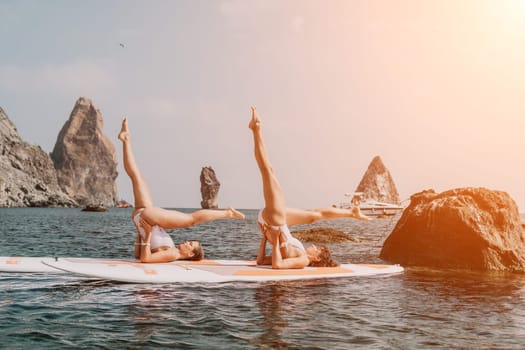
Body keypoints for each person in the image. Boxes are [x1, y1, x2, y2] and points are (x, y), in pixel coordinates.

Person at [249, 106, 370, 269]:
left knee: (268, 171)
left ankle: (256, 129)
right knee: (314, 216)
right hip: (274, 223)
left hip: (275, 223)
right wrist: (265, 238)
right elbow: (261, 261)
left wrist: (275, 239)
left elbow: (277, 265)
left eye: (317, 249)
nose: (313, 246)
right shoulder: (302, 254)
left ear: (317, 258)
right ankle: (351, 212)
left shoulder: (304, 260)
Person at [118, 117, 245, 263]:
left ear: (190, 254)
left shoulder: (174, 254)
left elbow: (145, 260)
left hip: (148, 218)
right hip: (143, 217)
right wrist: (141, 231)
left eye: (190, 244)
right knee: (136, 176)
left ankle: (228, 213)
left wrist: (146, 234)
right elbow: (139, 255)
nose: (186, 241)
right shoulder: (173, 252)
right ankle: (125, 140)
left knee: (191, 220)